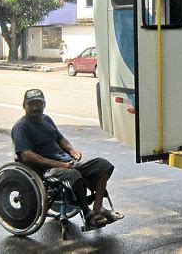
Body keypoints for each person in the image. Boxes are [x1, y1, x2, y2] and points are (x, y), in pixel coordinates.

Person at [11, 88, 123, 227]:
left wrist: (72, 150)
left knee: (104, 165)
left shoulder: (46, 119)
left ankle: (98, 207)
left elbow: (60, 138)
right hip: (45, 168)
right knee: (73, 174)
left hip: (66, 162)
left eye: (39, 103)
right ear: (24, 106)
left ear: (44, 105)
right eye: (31, 104)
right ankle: (87, 213)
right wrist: (59, 165)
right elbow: (26, 156)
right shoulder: (21, 127)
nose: (35, 107)